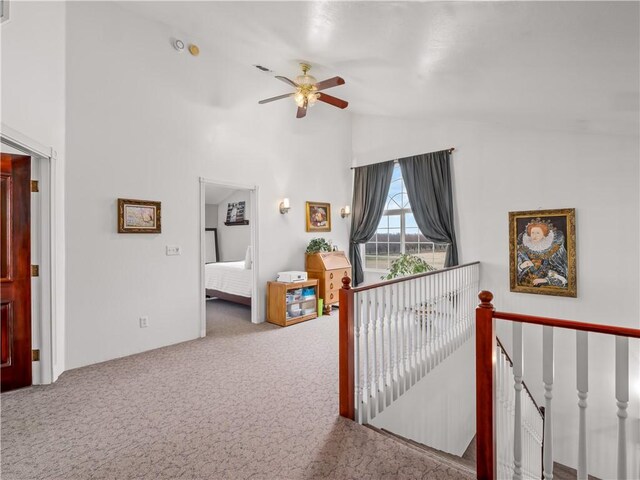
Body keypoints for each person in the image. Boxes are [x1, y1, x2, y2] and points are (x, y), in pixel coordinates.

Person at [517, 218, 568, 288]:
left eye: (538, 233)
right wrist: (521, 266)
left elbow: (561, 272)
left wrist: (545, 280)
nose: (534, 236)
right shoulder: (523, 249)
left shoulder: (552, 250)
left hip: (545, 285)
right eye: (532, 233)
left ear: (544, 234)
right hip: (524, 284)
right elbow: (513, 272)